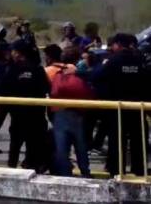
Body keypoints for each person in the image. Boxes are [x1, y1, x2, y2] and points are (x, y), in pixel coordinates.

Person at [98, 33, 149, 177]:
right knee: (138, 142)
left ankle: (116, 172)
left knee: (117, 142)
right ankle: (139, 172)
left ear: (118, 44)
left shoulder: (112, 61)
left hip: (118, 109)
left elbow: (97, 77)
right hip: (138, 108)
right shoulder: (140, 60)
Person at [1, 39, 49, 173]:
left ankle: (11, 172)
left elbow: (3, 91)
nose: (12, 54)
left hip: (19, 117)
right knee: (33, 148)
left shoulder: (12, 70)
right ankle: (31, 170)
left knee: (15, 148)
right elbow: (46, 88)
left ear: (19, 53)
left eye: (13, 51)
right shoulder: (38, 69)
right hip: (36, 117)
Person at [50, 48, 93, 177]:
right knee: (81, 147)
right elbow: (88, 93)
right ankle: (85, 173)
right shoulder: (81, 73)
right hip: (78, 114)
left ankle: (65, 175)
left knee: (62, 149)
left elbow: (53, 92)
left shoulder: (56, 73)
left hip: (60, 113)